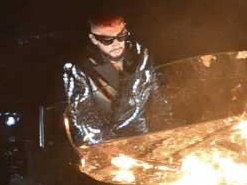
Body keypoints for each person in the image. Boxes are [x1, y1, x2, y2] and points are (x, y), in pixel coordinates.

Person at [62, 12, 170, 144]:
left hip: (144, 135)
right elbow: (85, 121)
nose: (116, 44)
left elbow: (158, 97)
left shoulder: (140, 53)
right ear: (93, 39)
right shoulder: (79, 68)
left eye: (121, 36)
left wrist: (168, 133)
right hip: (107, 142)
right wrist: (113, 148)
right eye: (107, 40)